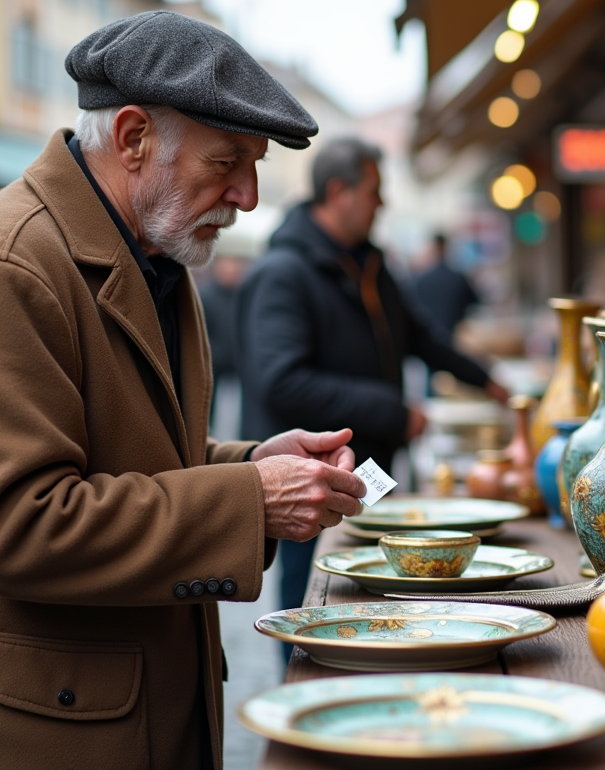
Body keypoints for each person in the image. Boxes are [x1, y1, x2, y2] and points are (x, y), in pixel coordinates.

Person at [0, 12, 368, 770]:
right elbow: (19, 525)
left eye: (255, 166)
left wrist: (251, 460)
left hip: (114, 710)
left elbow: (124, 449)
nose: (246, 195)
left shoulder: (152, 253)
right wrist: (250, 498)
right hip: (40, 732)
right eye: (228, 162)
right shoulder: (8, 267)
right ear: (134, 136)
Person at [236, 137, 509, 621]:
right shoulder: (283, 272)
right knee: (311, 601)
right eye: (374, 192)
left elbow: (421, 336)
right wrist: (393, 412)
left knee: (367, 594)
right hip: (310, 476)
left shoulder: (371, 263)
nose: (382, 204)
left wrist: (488, 381)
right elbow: (283, 380)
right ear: (340, 191)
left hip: (371, 471)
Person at [198, 244, 247, 438]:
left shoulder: (243, 295)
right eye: (227, 263)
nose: (231, 268)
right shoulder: (205, 295)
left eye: (236, 263)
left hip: (239, 369)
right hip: (213, 370)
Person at [411, 232, 481, 341]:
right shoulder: (458, 278)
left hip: (429, 337)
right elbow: (474, 301)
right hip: (453, 334)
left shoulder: (421, 279)